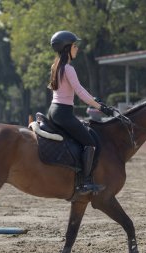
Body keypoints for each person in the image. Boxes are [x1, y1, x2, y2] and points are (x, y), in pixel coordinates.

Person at [47, 30, 114, 195]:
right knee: (90, 143)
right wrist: (101, 107)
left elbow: (74, 91)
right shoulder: (69, 69)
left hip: (54, 110)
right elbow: (80, 92)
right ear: (67, 48)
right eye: (75, 46)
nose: (77, 49)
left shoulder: (56, 66)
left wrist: (94, 100)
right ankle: (83, 183)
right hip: (63, 113)